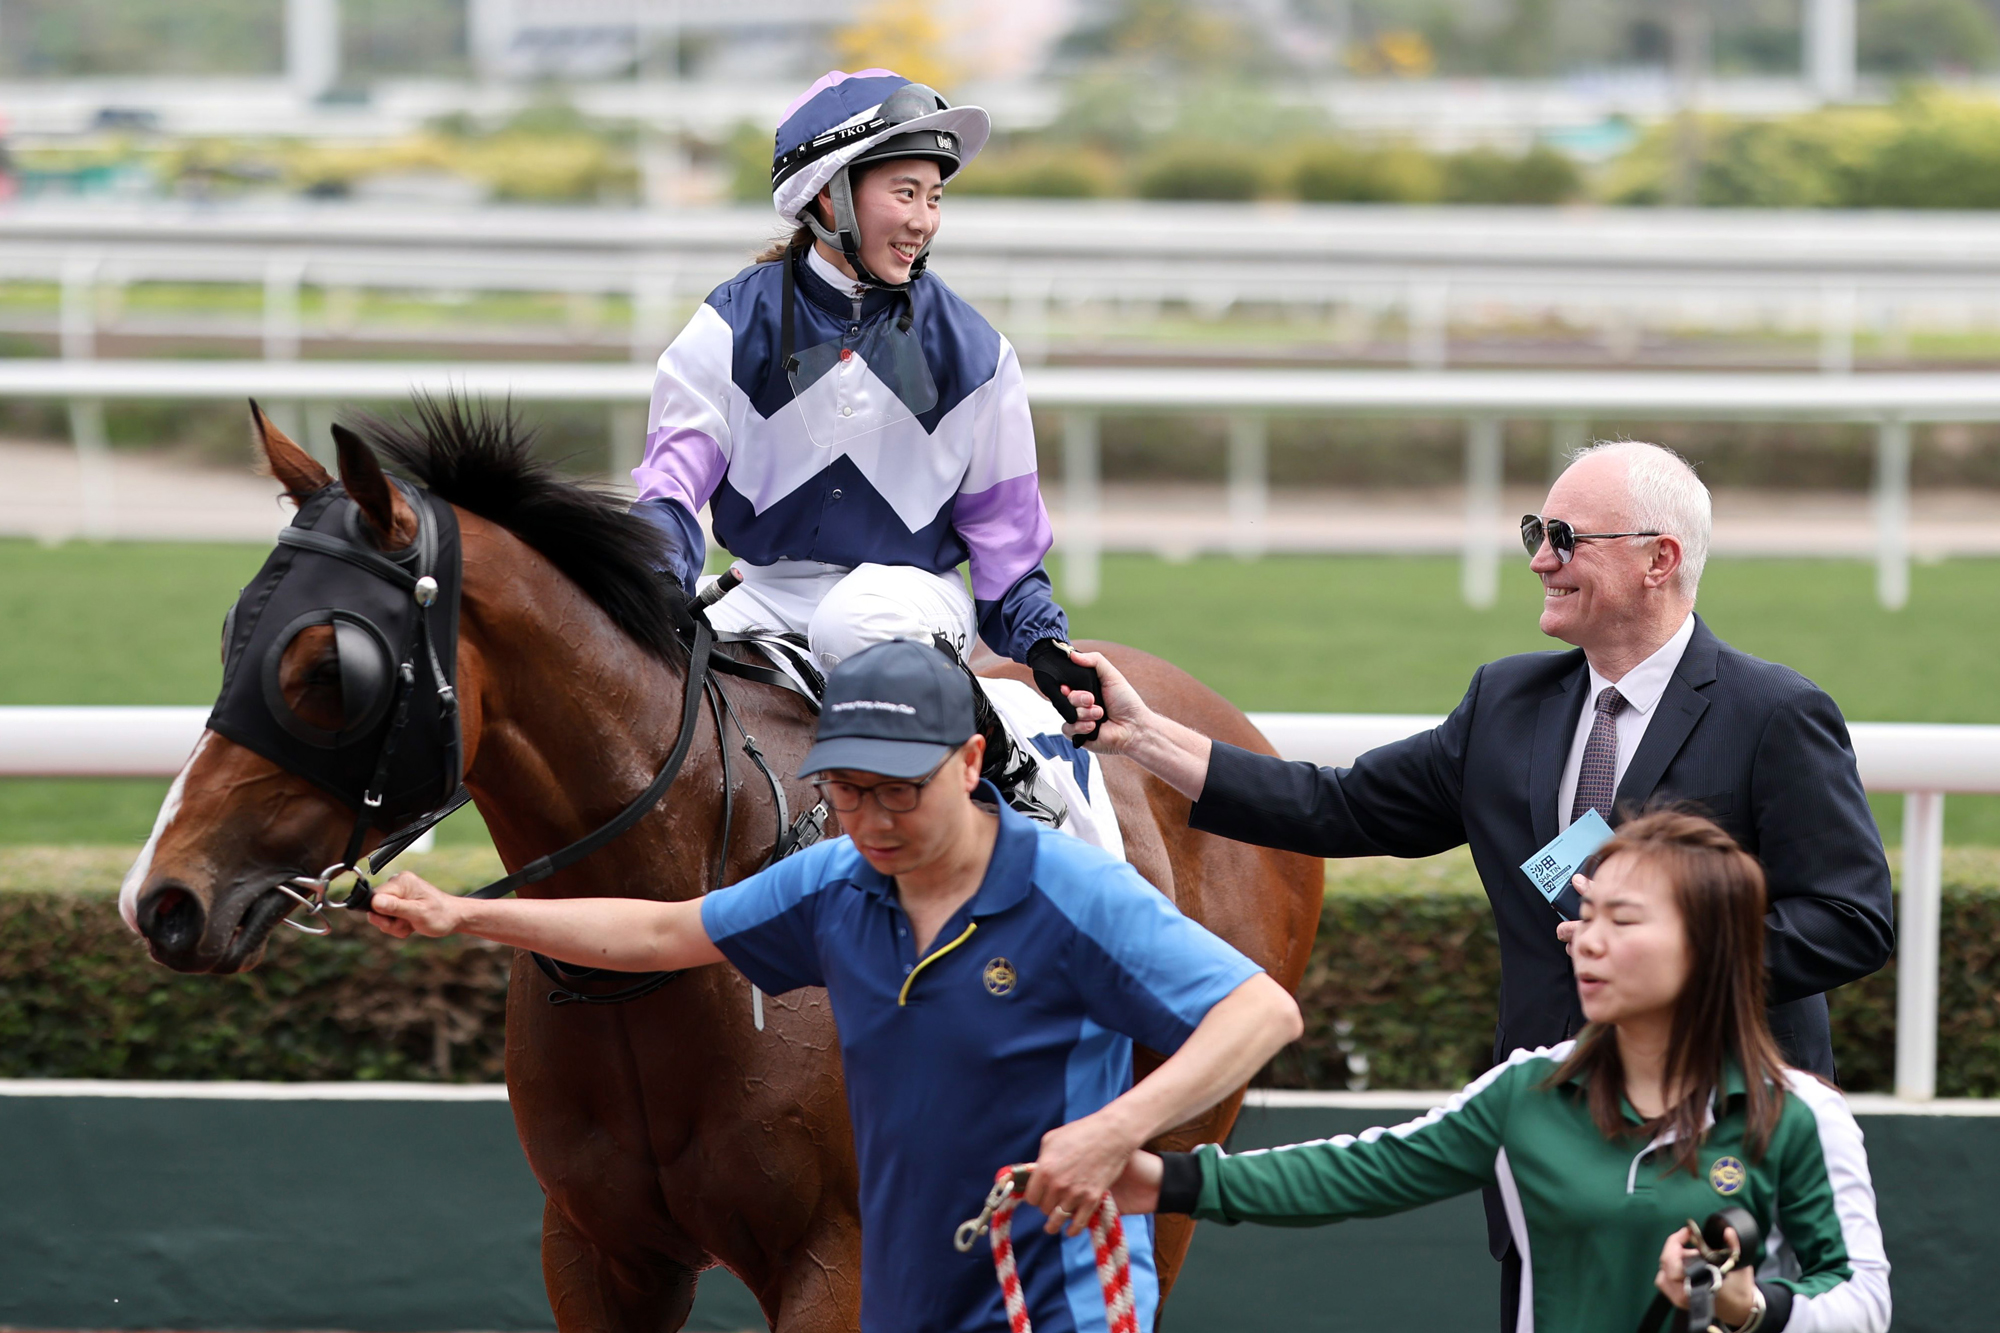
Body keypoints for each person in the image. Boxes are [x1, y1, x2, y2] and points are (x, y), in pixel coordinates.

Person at [1058, 440, 1895, 1324]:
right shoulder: (1506, 703)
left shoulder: (1773, 714)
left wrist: (1670, 969)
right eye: (1538, 531)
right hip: (1551, 1155)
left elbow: (1852, 919)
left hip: (1727, 1147)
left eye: (1567, 537)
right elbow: (1337, 807)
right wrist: (1144, 737)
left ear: (1662, 558)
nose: (1540, 558)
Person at [364, 638, 1302, 1333]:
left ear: (972, 763)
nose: (874, 817)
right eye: (849, 790)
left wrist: (1112, 1130)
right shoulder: (832, 882)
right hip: (906, 1296)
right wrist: (466, 914)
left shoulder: (1072, 884)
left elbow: (1261, 1010)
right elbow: (661, 930)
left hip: (1059, 1303)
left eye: (901, 788)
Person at [1110, 811, 1892, 1333]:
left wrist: (1751, 1306)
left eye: (1621, 921)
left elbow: (1862, 1297)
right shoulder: (1526, 1092)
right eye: (1585, 918)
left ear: (1710, 947)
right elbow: (1359, 1171)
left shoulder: (1800, 1115)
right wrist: (1167, 1181)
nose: (1586, 941)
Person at [629, 68, 1102, 813]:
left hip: (913, 598)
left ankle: (1014, 772)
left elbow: (1003, 535)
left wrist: (1042, 645)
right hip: (765, 592)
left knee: (854, 619)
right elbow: (672, 486)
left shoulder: (975, 352)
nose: (924, 220)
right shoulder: (726, 329)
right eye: (905, 193)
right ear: (828, 193)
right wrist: (653, 575)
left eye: (934, 197)